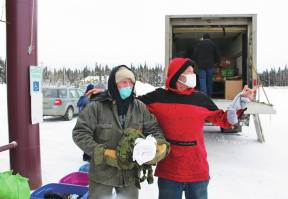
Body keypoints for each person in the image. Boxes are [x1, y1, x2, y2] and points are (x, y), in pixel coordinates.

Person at [89, 58, 255, 199]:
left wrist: (239, 103)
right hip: (169, 171)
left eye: (193, 73)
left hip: (197, 170)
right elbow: (129, 100)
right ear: (177, 75)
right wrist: (107, 93)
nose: (193, 76)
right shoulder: (157, 97)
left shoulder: (200, 98)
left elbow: (224, 120)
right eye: (189, 73)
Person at [72, 65, 168, 199]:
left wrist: (158, 145)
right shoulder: (96, 106)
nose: (128, 86)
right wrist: (102, 153)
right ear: (114, 84)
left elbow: (154, 129)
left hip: (129, 176)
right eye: (124, 82)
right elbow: (80, 133)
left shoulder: (139, 107)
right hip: (102, 174)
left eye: (131, 83)